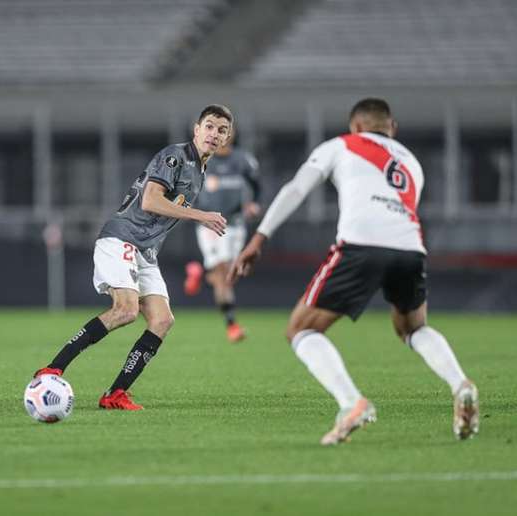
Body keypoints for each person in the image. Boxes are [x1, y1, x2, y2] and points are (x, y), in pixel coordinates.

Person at [229, 98, 479, 445]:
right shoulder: (411, 162)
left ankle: (351, 403)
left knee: (300, 329)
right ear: (392, 128)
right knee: (413, 327)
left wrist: (259, 238)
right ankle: (460, 384)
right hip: (411, 248)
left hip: (361, 246)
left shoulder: (341, 145)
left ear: (356, 127)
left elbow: (297, 188)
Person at [34, 105, 233, 410]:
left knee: (162, 320)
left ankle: (115, 394)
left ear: (227, 137)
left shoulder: (201, 170)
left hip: (145, 251)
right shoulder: (176, 156)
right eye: (209, 126)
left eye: (221, 130)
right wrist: (201, 215)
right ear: (196, 129)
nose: (214, 134)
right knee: (125, 310)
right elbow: (151, 200)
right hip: (121, 238)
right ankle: (53, 368)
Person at [183, 130, 261, 342]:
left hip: (235, 223)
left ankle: (200, 272)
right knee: (223, 273)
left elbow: (256, 186)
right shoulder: (201, 159)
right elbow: (189, 187)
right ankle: (232, 325)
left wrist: (253, 204)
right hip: (210, 224)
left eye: (226, 129)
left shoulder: (244, 159)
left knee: (226, 277)